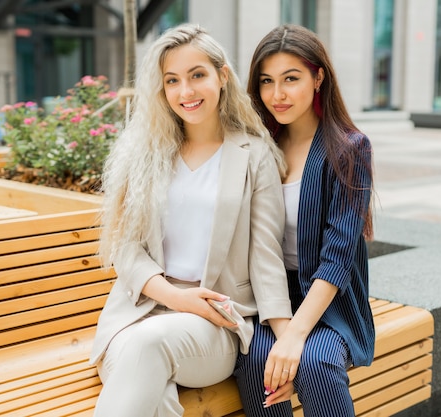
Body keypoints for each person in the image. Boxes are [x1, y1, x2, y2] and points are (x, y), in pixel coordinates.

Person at [89, 23, 293, 417]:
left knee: (149, 347)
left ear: (222, 76)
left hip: (213, 322)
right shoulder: (146, 152)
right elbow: (125, 247)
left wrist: (286, 342)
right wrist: (173, 296)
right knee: (158, 399)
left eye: (197, 75)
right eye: (172, 80)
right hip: (137, 313)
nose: (186, 92)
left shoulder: (254, 155)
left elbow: (267, 258)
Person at [233, 24, 376, 417]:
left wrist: (296, 335)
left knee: (315, 363)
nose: (277, 95)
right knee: (255, 360)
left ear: (318, 78)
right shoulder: (259, 145)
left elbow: (338, 257)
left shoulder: (348, 148)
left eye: (291, 79)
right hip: (272, 296)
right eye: (266, 81)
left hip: (330, 301)